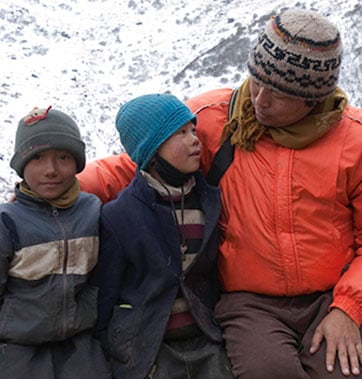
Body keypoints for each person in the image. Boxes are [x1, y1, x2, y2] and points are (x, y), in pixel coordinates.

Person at [78, 8, 362, 378]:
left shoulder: (352, 142)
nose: (259, 101)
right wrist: (61, 189)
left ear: (312, 99)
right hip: (250, 302)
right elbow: (135, 165)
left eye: (278, 95)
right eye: (256, 82)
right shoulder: (217, 118)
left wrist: (348, 309)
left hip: (331, 296)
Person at [92, 93, 234, 379]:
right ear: (152, 149)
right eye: (180, 133)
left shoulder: (209, 200)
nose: (195, 139)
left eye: (193, 130)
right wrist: (108, 352)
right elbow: (106, 291)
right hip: (148, 348)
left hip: (206, 338)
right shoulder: (120, 215)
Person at [0, 106, 111, 378]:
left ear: (77, 163)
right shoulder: (7, 221)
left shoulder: (93, 211)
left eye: (63, 157)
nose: (51, 170)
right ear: (21, 164)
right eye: (37, 157)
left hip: (82, 347)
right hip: (17, 349)